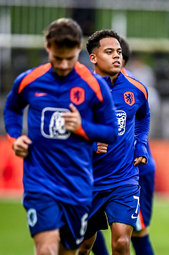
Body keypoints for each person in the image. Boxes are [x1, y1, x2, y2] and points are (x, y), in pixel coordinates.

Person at [3, 18, 118, 255]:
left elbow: (111, 132)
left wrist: (82, 127)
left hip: (77, 185)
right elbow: (12, 108)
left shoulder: (94, 85)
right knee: (46, 249)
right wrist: (15, 138)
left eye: (70, 58)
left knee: (69, 252)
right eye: (58, 58)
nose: (64, 65)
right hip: (40, 181)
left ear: (78, 49)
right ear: (48, 47)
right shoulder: (29, 80)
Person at [78, 29, 150, 255]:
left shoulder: (136, 89)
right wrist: (89, 144)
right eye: (109, 52)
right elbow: (63, 131)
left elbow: (143, 117)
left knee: (121, 243)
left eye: (118, 52)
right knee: (83, 247)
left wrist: (141, 143)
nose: (117, 56)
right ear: (93, 58)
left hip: (124, 178)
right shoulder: (79, 89)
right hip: (88, 181)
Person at [120, 37, 155, 255]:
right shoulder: (95, 85)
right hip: (107, 170)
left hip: (135, 170)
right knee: (86, 229)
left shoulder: (132, 88)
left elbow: (142, 123)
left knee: (137, 232)